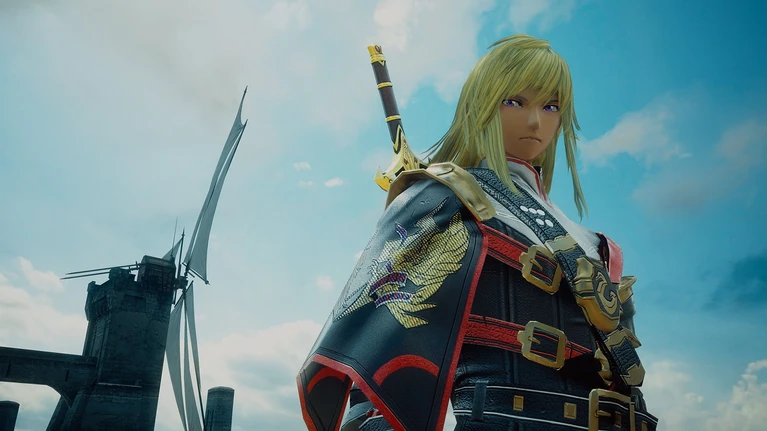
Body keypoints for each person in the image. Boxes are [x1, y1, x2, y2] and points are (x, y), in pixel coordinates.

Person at [297, 34, 657, 431]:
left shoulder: (595, 245)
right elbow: (379, 359)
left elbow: (624, 375)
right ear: (481, 105)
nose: (535, 121)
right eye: (514, 102)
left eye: (551, 106)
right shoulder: (446, 199)